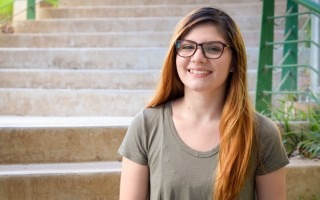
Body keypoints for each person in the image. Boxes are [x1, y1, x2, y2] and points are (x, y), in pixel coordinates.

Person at [118, 7, 289, 200]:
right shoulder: (146, 125)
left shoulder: (261, 133)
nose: (198, 58)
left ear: (234, 61)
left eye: (213, 48)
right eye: (187, 46)